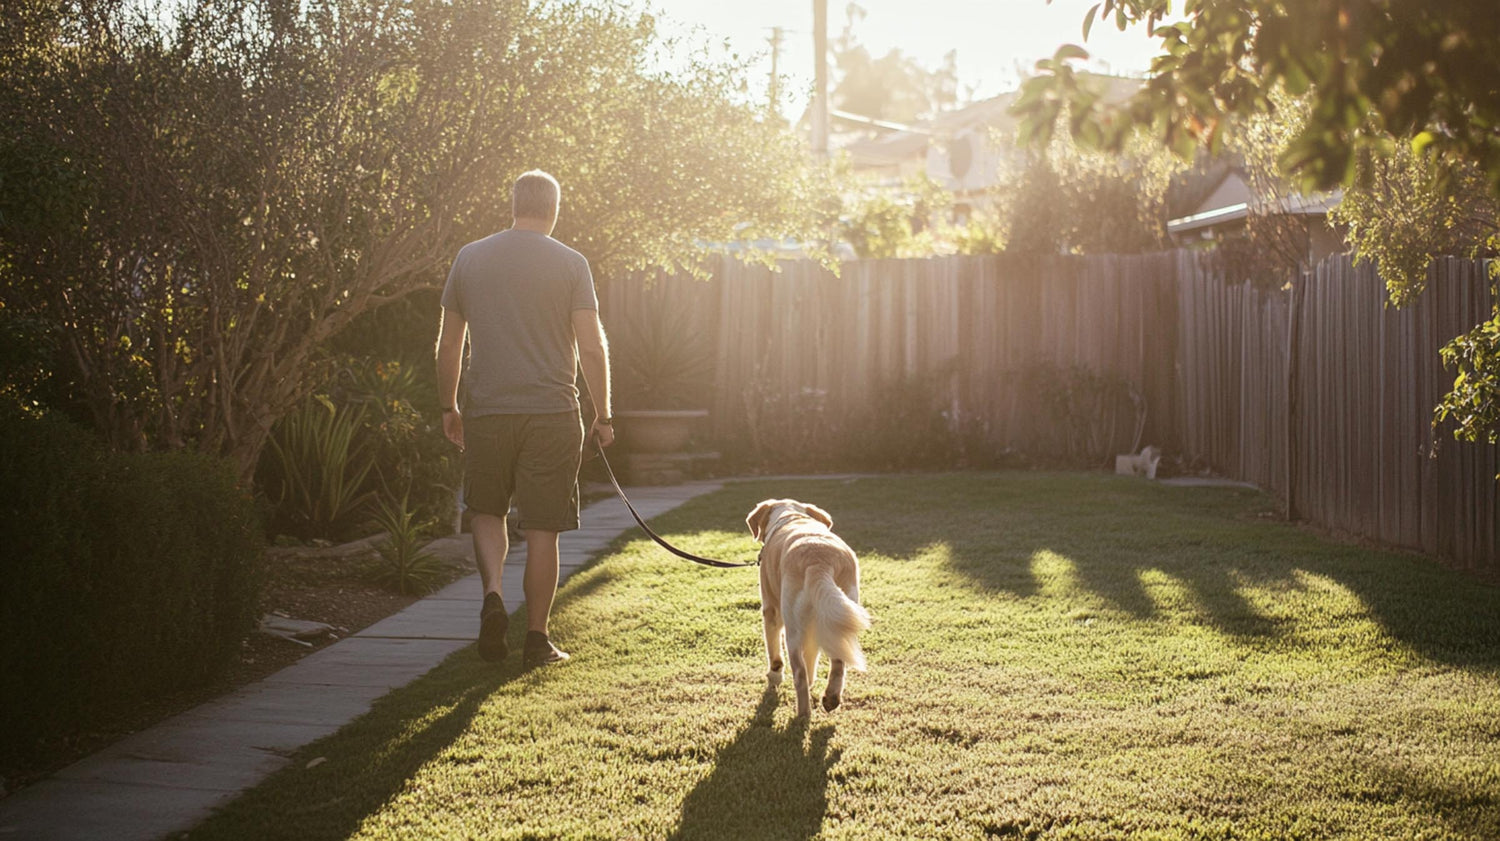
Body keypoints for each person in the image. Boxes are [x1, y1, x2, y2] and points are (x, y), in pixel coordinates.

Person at [435, 169, 614, 668]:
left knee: (487, 511)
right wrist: (603, 414)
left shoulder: (470, 257)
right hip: (553, 414)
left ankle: (492, 593)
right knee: (543, 529)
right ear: (554, 209)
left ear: (513, 204)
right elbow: (592, 347)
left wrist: (449, 406)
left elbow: (450, 343)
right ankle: (536, 639)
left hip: (487, 411)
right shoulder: (571, 263)